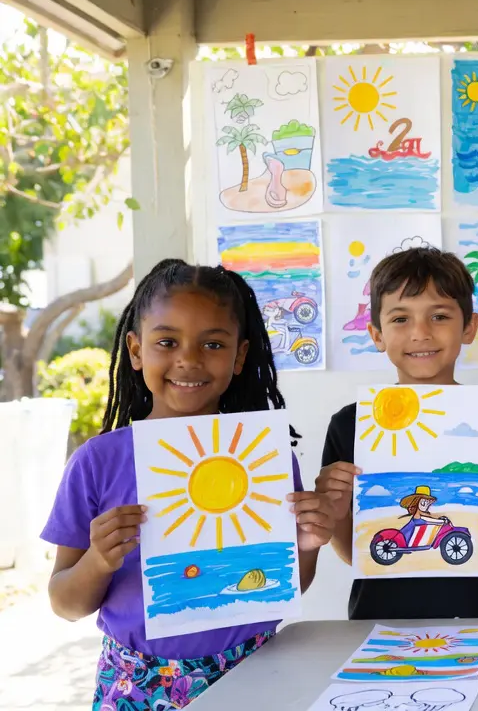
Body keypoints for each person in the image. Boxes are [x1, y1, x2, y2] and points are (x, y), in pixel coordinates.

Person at [41, 260, 334, 709]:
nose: (189, 360)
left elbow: (287, 584)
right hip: (135, 685)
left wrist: (309, 545)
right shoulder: (97, 463)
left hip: (256, 673)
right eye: (167, 341)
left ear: (239, 356)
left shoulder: (267, 460)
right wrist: (98, 561)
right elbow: (65, 604)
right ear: (136, 351)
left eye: (213, 344)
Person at [315, 245, 478, 619]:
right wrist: (334, 510)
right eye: (400, 319)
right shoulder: (349, 425)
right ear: (376, 334)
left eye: (439, 316)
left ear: (468, 327)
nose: (420, 333)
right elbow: (354, 551)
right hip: (376, 619)